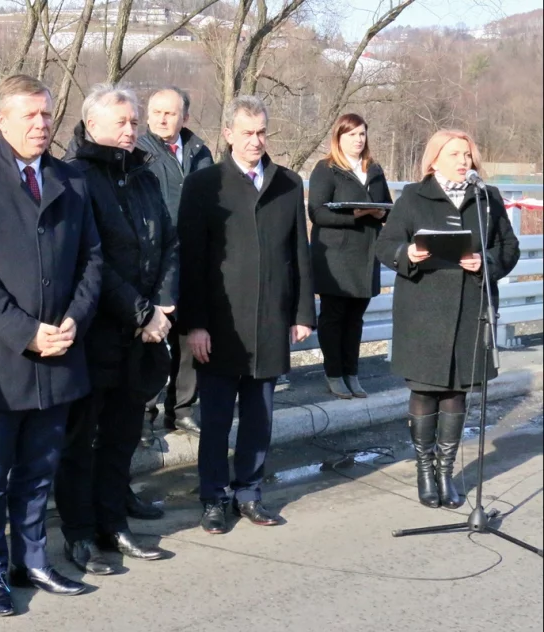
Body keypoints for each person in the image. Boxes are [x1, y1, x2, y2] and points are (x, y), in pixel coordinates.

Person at [0, 75, 102, 617]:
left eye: (47, 114)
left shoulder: (71, 180)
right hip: (3, 359)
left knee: (40, 468)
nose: (41, 124)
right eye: (29, 115)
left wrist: (73, 321)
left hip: (62, 351)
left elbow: (93, 259)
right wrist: (26, 332)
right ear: (1, 120)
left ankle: (31, 559)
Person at [178, 95, 315, 535]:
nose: (256, 141)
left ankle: (249, 493)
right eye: (247, 133)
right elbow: (191, 260)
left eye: (261, 133)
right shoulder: (204, 185)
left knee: (260, 416)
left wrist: (302, 313)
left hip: (271, 320)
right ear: (229, 135)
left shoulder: (288, 183)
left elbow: (300, 254)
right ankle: (214, 497)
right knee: (216, 419)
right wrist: (194, 323)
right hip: (220, 324)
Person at [54, 84, 176, 575]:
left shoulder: (142, 174)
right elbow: (93, 262)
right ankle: (79, 533)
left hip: (144, 332)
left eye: (134, 122)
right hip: (97, 333)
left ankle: (113, 524)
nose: (132, 131)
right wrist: (142, 311)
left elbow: (169, 242)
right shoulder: (77, 177)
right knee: (80, 441)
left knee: (123, 436)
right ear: (93, 124)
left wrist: (163, 304)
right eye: (123, 123)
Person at [376, 130, 519, 509]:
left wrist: (484, 262)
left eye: (468, 155)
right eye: (455, 154)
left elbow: (509, 246)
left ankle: (445, 471)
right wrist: (408, 252)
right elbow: (384, 246)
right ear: (434, 158)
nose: (463, 161)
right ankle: (424, 470)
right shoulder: (412, 196)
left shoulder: (486, 198)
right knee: (425, 390)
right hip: (423, 309)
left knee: (456, 391)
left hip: (470, 307)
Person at [137, 86, 213, 438]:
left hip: (195, 257)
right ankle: (144, 410)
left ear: (185, 116)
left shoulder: (200, 152)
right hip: (155, 260)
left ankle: (181, 409)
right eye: (156, 112)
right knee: (151, 338)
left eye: (170, 113)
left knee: (188, 339)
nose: (162, 119)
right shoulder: (139, 151)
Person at [308, 114, 392, 399]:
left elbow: (388, 206)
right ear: (339, 138)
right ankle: (334, 373)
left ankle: (351, 373)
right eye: (352, 134)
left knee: (356, 318)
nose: (358, 139)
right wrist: (355, 215)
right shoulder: (327, 169)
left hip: (366, 254)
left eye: (362, 134)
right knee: (334, 317)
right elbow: (317, 212)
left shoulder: (374, 169)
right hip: (336, 255)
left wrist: (382, 213)